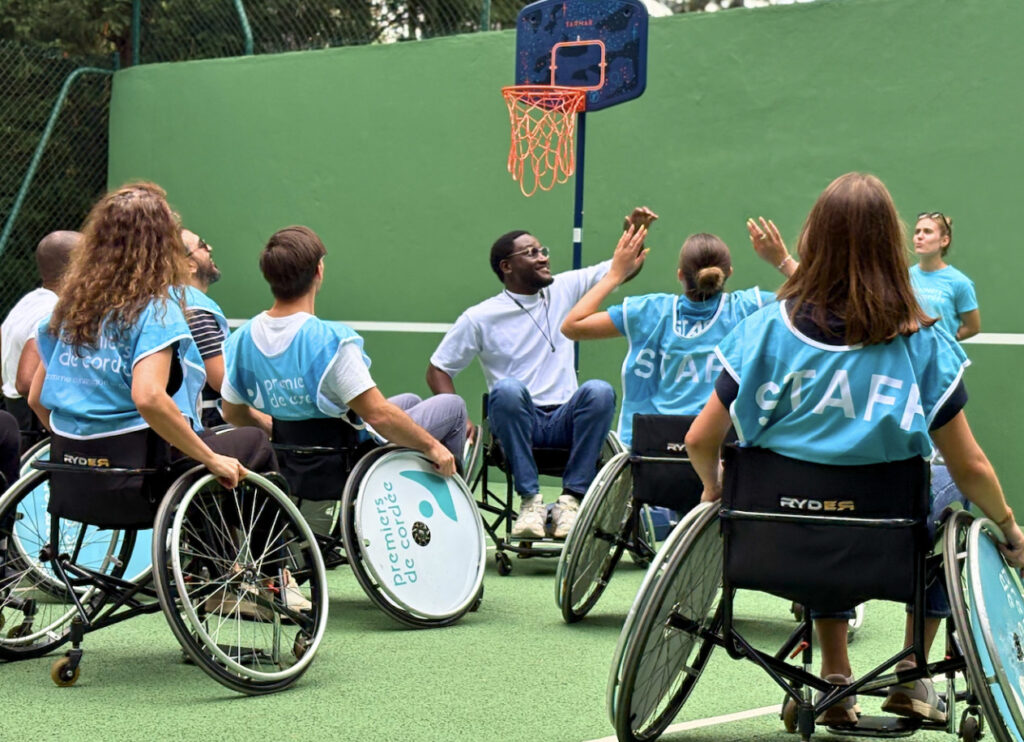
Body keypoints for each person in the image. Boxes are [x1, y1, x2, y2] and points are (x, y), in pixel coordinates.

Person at [684, 173, 1024, 727]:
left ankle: (835, 676)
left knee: (816, 502)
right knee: (947, 488)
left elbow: (701, 439)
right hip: (886, 537)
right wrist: (1010, 529)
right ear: (891, 245)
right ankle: (915, 672)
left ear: (812, 238)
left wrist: (714, 488)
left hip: (777, 533)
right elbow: (970, 464)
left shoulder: (764, 328)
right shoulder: (922, 338)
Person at [426, 208, 654, 540]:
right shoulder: (479, 317)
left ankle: (570, 502)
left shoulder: (564, 287)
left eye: (543, 250)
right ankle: (530, 501)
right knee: (505, 391)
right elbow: (438, 369)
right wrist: (457, 413)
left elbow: (621, 270)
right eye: (531, 253)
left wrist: (631, 234)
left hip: (565, 420)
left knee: (599, 391)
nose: (543, 257)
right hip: (520, 424)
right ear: (507, 267)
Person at [220, 225, 464, 534]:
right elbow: (378, 415)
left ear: (270, 277)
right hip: (345, 461)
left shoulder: (241, 340)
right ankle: (453, 517)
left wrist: (277, 428)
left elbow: (233, 413)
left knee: (411, 401)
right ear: (318, 271)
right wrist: (433, 448)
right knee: (452, 406)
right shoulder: (331, 341)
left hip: (292, 459)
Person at [562, 228, 773, 446]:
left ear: (680, 274)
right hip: (720, 450)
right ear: (728, 272)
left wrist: (615, 274)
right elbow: (809, 301)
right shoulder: (748, 308)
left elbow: (572, 326)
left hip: (653, 449)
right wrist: (782, 260)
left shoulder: (649, 311)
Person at [1, 230, 79, 451]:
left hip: (16, 421)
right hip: (36, 427)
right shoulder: (54, 310)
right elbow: (26, 382)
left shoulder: (27, 302)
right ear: (75, 265)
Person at [909, 211, 979, 342]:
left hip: (942, 362)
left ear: (944, 240)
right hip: (908, 361)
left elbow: (972, 327)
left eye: (927, 232)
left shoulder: (959, 282)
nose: (919, 236)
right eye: (917, 232)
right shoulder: (903, 278)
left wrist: (944, 344)